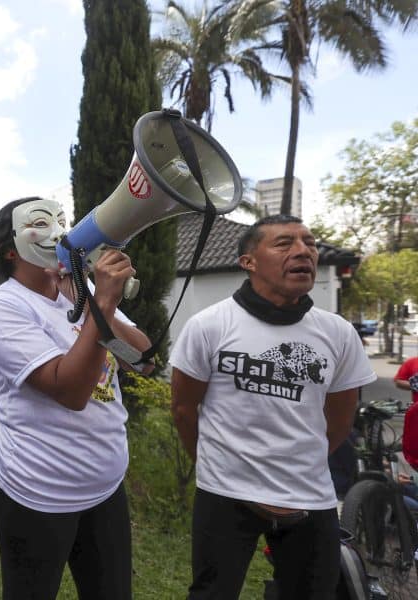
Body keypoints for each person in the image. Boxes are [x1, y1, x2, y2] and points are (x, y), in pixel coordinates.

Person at [170, 215, 376, 600]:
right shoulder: (208, 326)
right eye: (284, 244)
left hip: (309, 496)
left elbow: (340, 419)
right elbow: (183, 408)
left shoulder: (338, 333)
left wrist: (301, 457)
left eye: (310, 243)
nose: (303, 251)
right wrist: (214, 464)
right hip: (225, 494)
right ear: (248, 261)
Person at [0, 197, 152, 600]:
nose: (60, 230)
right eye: (41, 223)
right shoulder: (3, 306)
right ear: (9, 249)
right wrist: (103, 303)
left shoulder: (81, 291)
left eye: (62, 220)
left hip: (105, 487)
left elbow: (141, 361)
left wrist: (91, 299)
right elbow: (71, 392)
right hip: (37, 490)